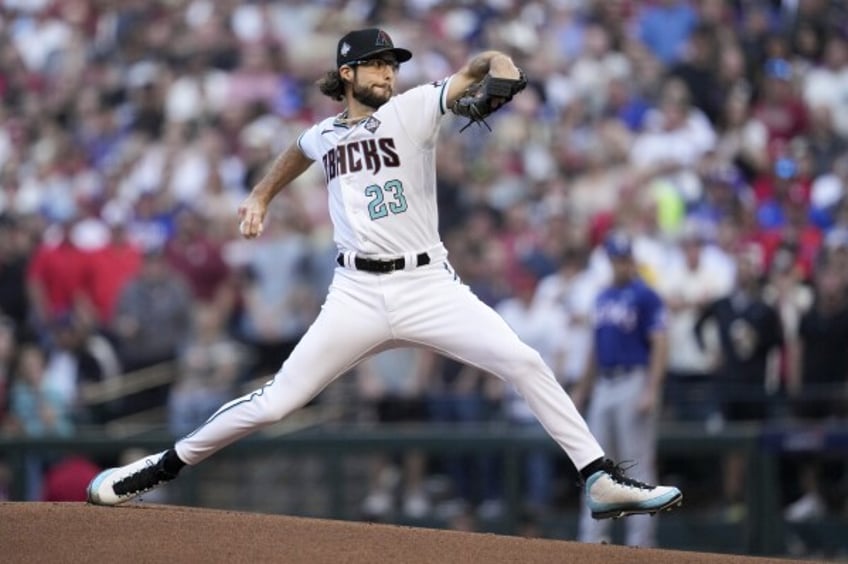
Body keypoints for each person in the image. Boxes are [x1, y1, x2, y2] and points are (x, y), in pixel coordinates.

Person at [86, 28, 682, 522]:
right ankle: (157, 468)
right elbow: (298, 148)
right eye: (375, 65)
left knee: (523, 361)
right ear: (346, 74)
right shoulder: (326, 133)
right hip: (356, 293)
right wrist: (261, 196)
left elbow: (484, 65)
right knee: (275, 405)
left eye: (392, 64)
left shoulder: (415, 107)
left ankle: (598, 477)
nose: (388, 73)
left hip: (428, 285)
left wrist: (499, 68)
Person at [572, 232, 670, 547]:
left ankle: (641, 543)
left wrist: (652, 389)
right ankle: (592, 539)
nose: (621, 265)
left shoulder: (646, 295)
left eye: (625, 259)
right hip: (604, 384)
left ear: (632, 261)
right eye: (616, 260)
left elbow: (660, 344)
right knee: (593, 463)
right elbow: (594, 349)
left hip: (633, 379)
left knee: (637, 464)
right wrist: (582, 390)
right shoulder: (601, 298)